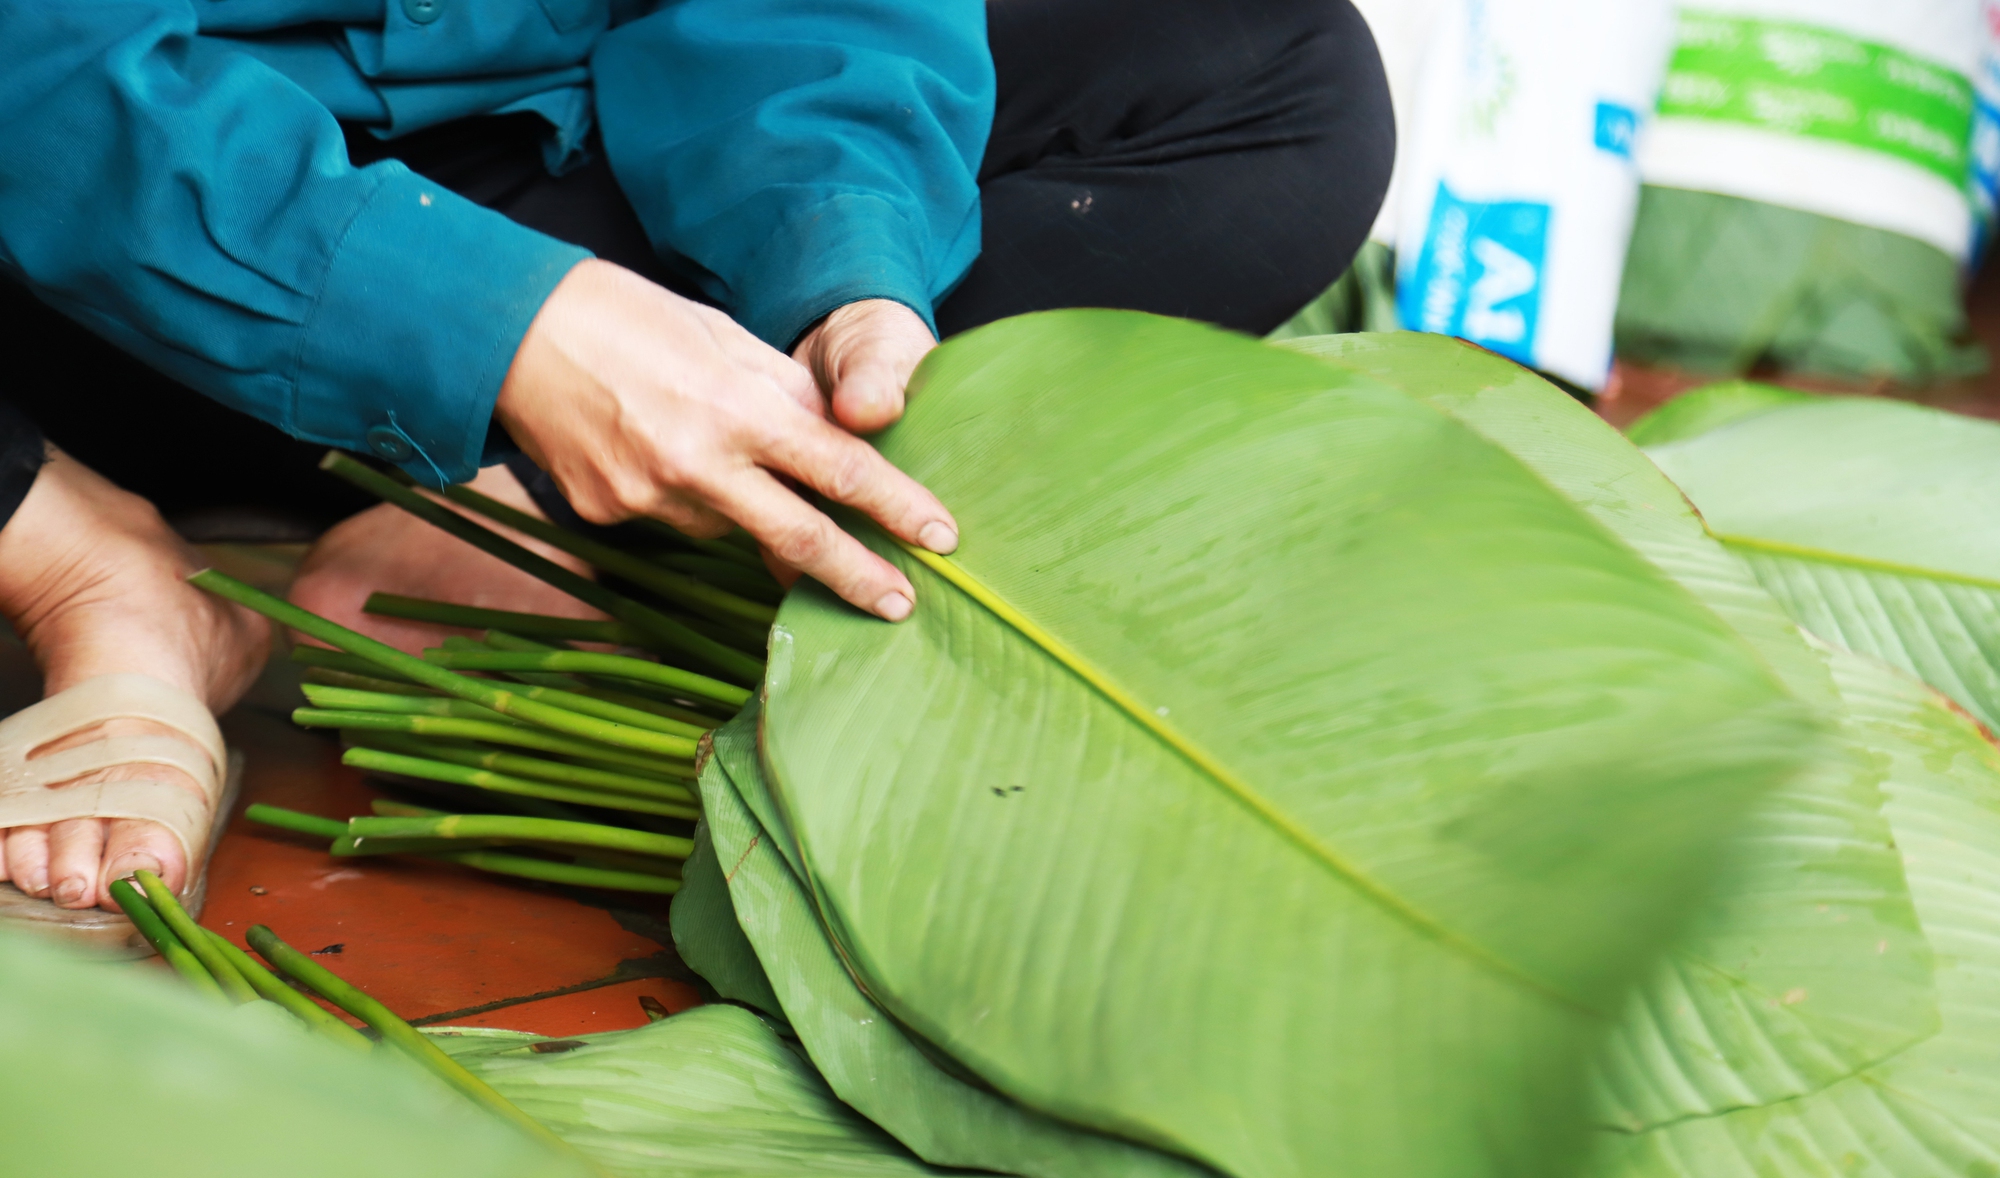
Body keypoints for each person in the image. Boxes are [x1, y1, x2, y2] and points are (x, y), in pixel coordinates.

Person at [0, 0, 1393, 914]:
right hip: (64, 252)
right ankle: (80, 558)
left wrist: (846, 267)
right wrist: (483, 320)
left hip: (514, 152)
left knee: (1269, 68)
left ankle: (527, 508)